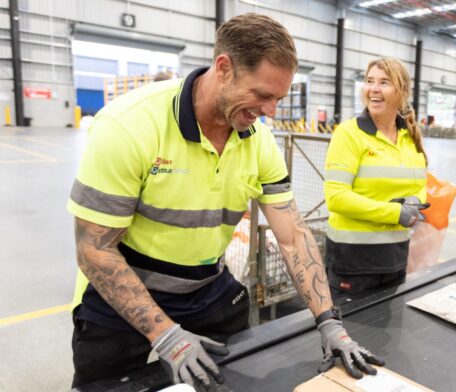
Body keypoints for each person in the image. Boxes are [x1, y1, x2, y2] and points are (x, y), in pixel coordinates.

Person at [67, 14, 381, 390]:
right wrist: (166, 335)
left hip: (204, 286)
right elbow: (94, 249)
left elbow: (294, 236)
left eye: (278, 98)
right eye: (263, 95)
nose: (270, 112)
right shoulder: (130, 126)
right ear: (223, 68)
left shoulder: (258, 141)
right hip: (124, 288)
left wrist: (329, 321)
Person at [323, 57, 428, 301]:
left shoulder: (409, 137)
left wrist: (415, 201)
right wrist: (396, 213)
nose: (374, 89)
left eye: (384, 82)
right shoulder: (349, 134)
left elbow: (421, 184)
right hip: (353, 264)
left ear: (401, 92)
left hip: (394, 260)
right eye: (369, 81)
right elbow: (337, 198)